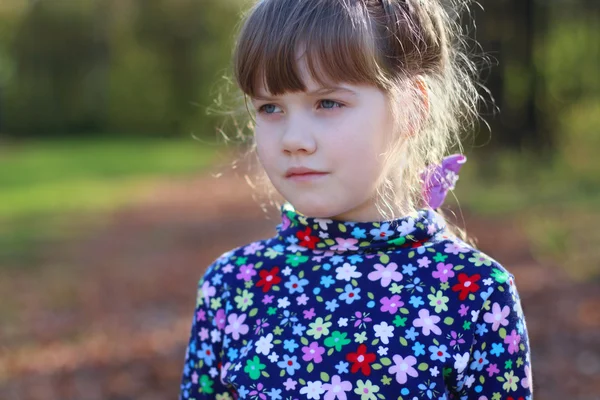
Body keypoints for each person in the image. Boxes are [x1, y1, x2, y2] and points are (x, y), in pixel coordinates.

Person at [179, 0, 533, 399]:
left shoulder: (475, 293)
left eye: (328, 103)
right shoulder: (232, 285)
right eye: (270, 107)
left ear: (412, 106)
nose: (294, 139)